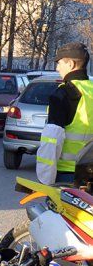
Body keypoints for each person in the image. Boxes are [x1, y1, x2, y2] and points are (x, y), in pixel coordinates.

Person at [37, 42, 92, 185]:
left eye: (59, 63)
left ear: (71, 64)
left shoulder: (64, 93)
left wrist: (45, 181)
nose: (57, 68)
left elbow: (51, 141)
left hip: (67, 176)